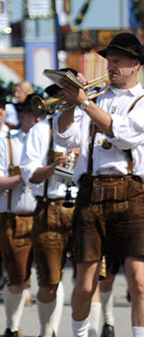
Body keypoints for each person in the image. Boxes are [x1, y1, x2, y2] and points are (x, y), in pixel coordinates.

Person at [54, 33, 144, 337]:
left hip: (131, 191)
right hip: (92, 191)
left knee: (139, 278)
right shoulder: (94, 97)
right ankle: (80, 334)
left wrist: (84, 103)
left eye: (118, 62)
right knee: (85, 281)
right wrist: (71, 104)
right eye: (109, 61)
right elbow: (63, 138)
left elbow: (124, 134)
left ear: (135, 64)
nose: (110, 67)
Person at [19, 80, 81, 337]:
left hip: (83, 205)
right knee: (49, 280)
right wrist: (52, 168)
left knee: (93, 278)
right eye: (60, 96)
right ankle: (48, 332)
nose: (64, 101)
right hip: (50, 207)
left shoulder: (90, 125)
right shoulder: (40, 130)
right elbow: (29, 175)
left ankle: (97, 327)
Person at [0, 99, 41, 337]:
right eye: (31, 115)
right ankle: (12, 327)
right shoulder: (7, 143)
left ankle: (49, 331)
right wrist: (25, 177)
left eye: (40, 116)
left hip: (46, 214)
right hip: (14, 218)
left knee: (51, 277)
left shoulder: (49, 140)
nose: (36, 120)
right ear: (22, 115)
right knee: (17, 280)